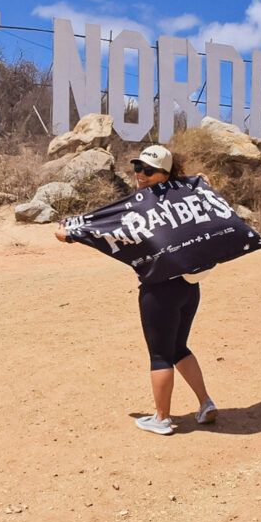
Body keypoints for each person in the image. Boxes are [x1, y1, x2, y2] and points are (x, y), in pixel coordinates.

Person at [55, 145, 217, 435]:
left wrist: (71, 234)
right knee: (179, 347)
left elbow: (108, 226)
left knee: (160, 355)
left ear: (165, 174)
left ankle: (162, 418)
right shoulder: (186, 196)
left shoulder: (139, 207)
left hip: (160, 291)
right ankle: (205, 403)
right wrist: (198, 182)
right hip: (189, 288)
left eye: (149, 171)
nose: (141, 175)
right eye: (138, 167)